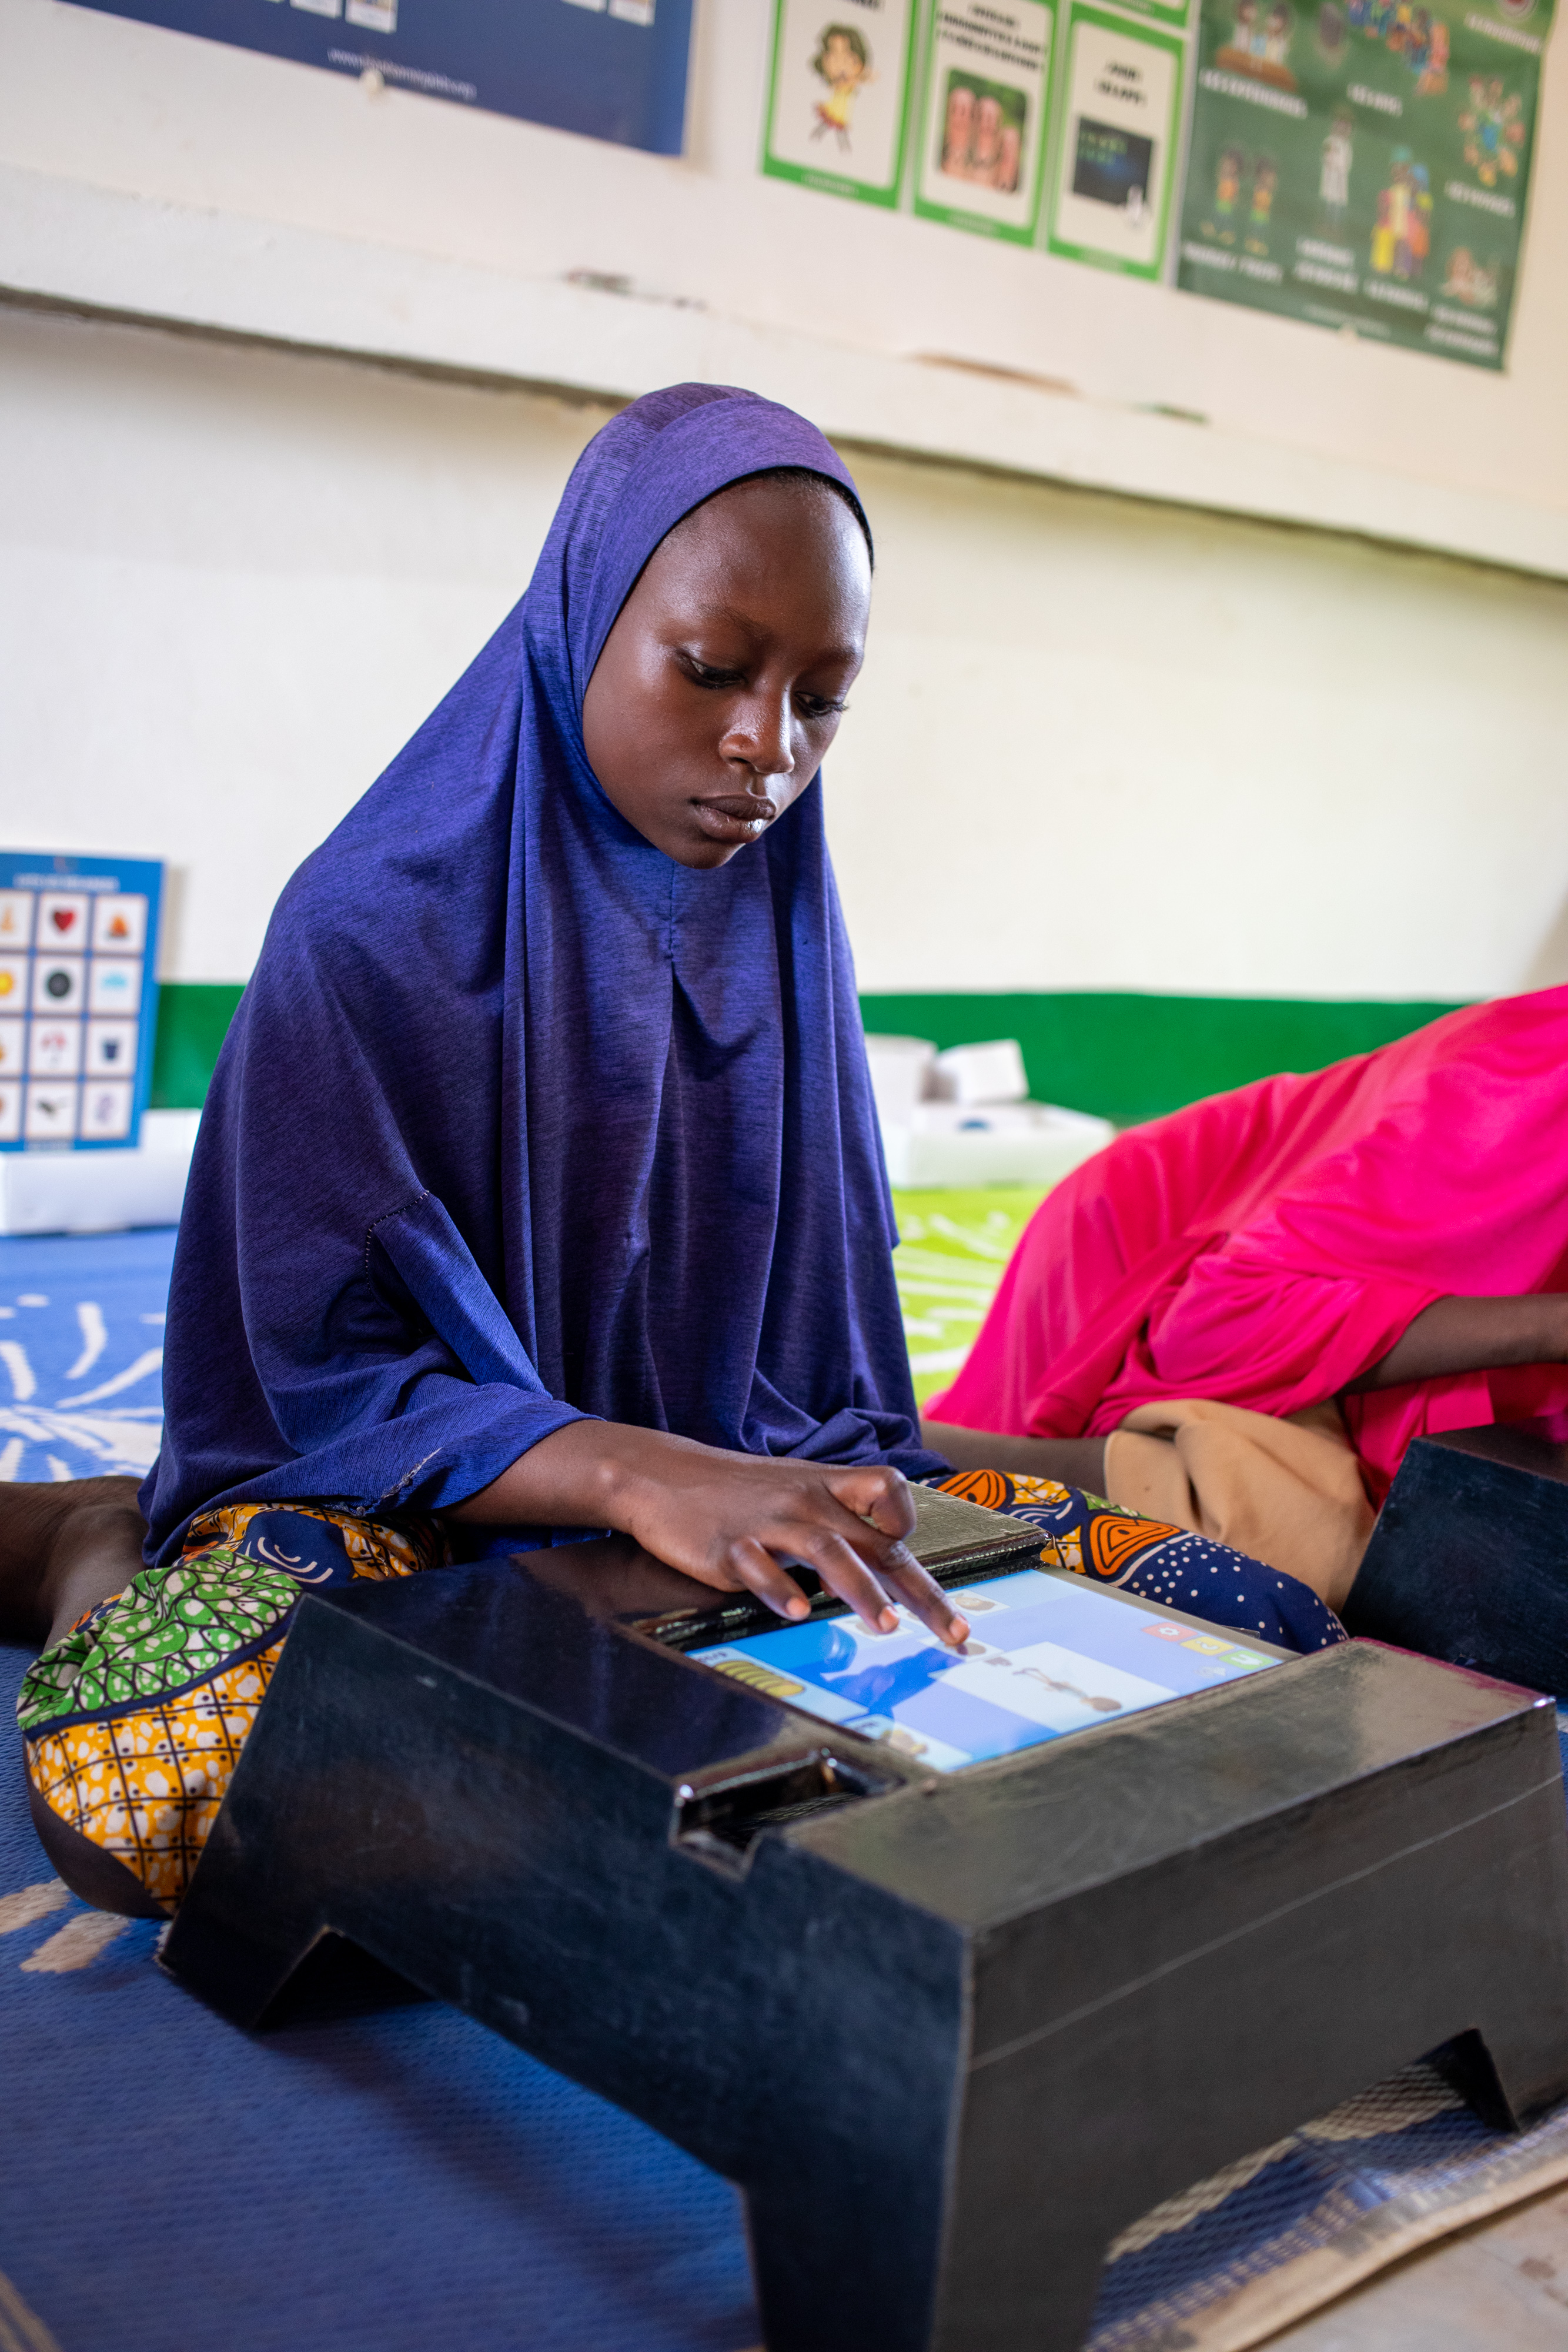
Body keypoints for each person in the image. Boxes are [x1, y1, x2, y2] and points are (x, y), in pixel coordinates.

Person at [4, 386, 1343, 1919]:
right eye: (711, 670)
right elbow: (303, 1386)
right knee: (154, 1789)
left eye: (821, 701)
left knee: (1250, 1628)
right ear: (583, 619)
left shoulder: (778, 937)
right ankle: (85, 1547)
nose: (766, 748)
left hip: (733, 1499)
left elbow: (822, 1404)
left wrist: (767, 1486)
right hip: (405, 1521)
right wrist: (636, 1474)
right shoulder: (363, 937)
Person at [924, 988, 1568, 1613]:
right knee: (1299, 1548)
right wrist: (1553, 1327)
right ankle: (906, 1452)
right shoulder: (1517, 1087)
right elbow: (1211, 1320)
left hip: (1356, 1325)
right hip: (1151, 1263)